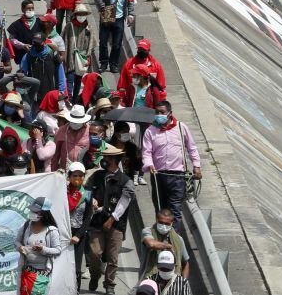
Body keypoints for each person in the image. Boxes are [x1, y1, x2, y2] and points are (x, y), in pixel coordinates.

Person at [141, 100, 201, 229]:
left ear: (170, 113)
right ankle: (161, 236)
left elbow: (192, 148)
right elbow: (146, 152)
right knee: (160, 210)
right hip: (158, 176)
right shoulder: (150, 131)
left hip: (178, 177)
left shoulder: (181, 127)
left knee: (175, 211)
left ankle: (174, 239)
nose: (159, 115)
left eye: (162, 112)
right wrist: (149, 164)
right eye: (157, 112)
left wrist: (196, 166)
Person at [85, 145, 135, 295]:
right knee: (95, 253)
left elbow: (124, 203)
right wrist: (92, 199)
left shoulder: (126, 181)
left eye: (107, 158)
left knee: (113, 257)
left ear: (114, 160)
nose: (104, 160)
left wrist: (112, 219)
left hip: (116, 224)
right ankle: (95, 276)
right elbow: (86, 190)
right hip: (96, 222)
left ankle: (110, 284)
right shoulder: (97, 176)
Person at [15, 197, 62, 295]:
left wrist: (42, 249)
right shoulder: (26, 226)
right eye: (31, 210)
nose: (32, 213)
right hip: (26, 270)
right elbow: (16, 241)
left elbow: (58, 250)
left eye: (35, 211)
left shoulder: (51, 230)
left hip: (42, 273)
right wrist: (20, 247)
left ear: (44, 213)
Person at [95, 0, 135, 72]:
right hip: (106, 16)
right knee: (103, 42)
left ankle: (113, 64)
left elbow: (131, 0)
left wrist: (131, 14)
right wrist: (102, 7)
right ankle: (103, 63)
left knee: (117, 44)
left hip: (119, 18)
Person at [141, 208, 190, 281]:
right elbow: (151, 244)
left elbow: (185, 263)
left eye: (167, 224)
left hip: (172, 281)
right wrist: (168, 246)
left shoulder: (178, 240)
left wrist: (183, 282)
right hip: (149, 279)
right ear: (156, 220)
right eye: (161, 222)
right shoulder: (148, 231)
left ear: (172, 223)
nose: (163, 226)